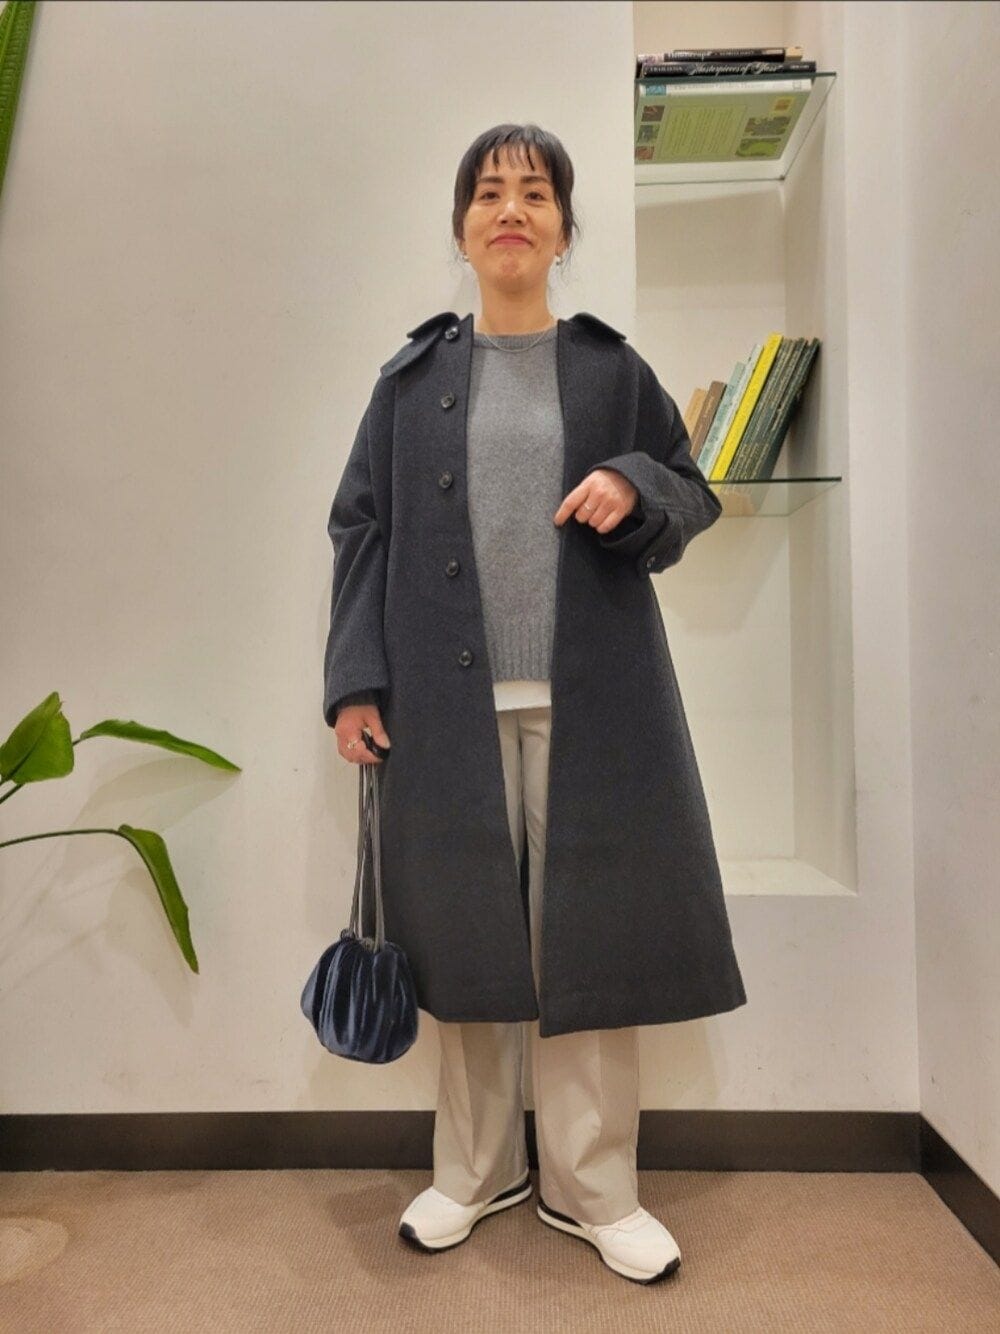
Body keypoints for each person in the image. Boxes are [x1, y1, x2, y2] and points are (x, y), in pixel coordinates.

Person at [325, 124, 745, 1285]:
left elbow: (691, 489)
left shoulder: (610, 370)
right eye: (488, 193)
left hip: (593, 702)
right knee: (461, 935)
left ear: (562, 230)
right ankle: (472, 1170)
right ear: (462, 228)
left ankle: (594, 1185)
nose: (510, 210)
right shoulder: (408, 382)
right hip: (442, 707)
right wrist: (353, 681)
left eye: (534, 194)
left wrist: (632, 480)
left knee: (590, 942)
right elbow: (360, 528)